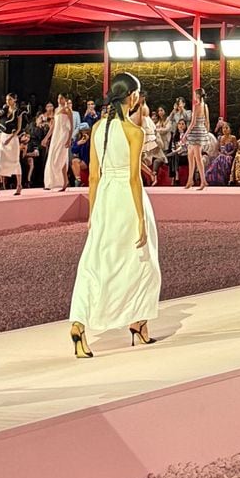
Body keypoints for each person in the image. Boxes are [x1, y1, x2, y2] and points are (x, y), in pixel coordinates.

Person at [69, 72, 161, 358]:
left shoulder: (97, 128)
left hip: (105, 199)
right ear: (132, 97)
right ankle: (139, 323)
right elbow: (135, 179)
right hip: (126, 198)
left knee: (95, 262)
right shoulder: (135, 132)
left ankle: (78, 323)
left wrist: (93, 213)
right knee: (144, 261)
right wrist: (141, 220)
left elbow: (93, 177)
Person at [0, 97, 24, 196]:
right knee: (0, 161)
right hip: (3, 136)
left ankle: (19, 185)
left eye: (10, 99)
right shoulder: (4, 111)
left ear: (14, 100)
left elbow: (18, 129)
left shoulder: (18, 112)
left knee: (15, 161)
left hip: (12, 139)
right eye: (6, 99)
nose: (8, 101)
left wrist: (10, 139)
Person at [45, 92, 76, 191]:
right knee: (53, 157)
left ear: (65, 99)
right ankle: (55, 181)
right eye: (58, 98)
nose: (59, 100)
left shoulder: (67, 110)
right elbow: (53, 125)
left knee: (60, 157)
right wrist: (46, 137)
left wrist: (69, 139)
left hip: (64, 135)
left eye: (61, 98)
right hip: (56, 136)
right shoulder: (56, 110)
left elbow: (71, 127)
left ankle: (64, 181)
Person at [185, 89, 210, 188]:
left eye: (195, 94)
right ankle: (190, 180)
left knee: (198, 157)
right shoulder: (205, 106)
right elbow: (207, 122)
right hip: (201, 131)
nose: (194, 96)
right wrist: (206, 133)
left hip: (195, 132)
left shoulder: (197, 106)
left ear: (198, 95)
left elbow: (193, 123)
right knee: (190, 155)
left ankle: (203, 181)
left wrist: (185, 134)